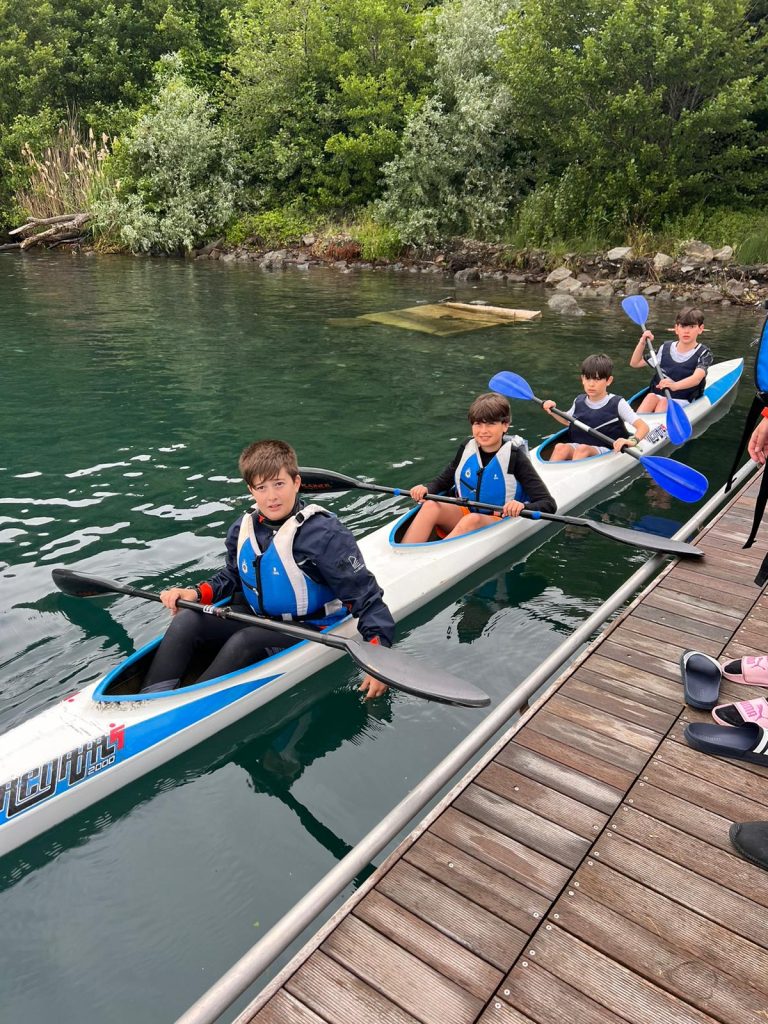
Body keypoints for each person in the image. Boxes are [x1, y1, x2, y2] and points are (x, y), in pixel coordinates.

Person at [141, 439, 395, 700]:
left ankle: (182, 705)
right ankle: (149, 699)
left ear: (296, 483)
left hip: (310, 625)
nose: (271, 496)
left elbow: (367, 598)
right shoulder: (243, 528)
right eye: (261, 487)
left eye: (279, 484)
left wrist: (379, 657)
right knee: (186, 619)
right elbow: (233, 577)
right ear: (251, 490)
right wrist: (195, 594)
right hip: (259, 617)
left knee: (245, 641)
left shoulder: (325, 535)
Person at [402, 392, 556, 544]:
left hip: (497, 519)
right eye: (478, 424)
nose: (483, 431)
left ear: (505, 425)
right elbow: (444, 480)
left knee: (472, 520)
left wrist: (522, 506)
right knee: (430, 506)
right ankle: (404, 552)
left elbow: (548, 504)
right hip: (466, 511)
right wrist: (426, 489)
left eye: (490, 424)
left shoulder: (515, 458)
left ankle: (428, 559)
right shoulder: (466, 448)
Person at [542, 353, 649, 461]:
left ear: (609, 381)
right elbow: (568, 421)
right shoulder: (579, 400)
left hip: (608, 449)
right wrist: (553, 411)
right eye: (587, 379)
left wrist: (632, 441)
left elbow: (643, 427)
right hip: (581, 446)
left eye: (597, 379)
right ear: (582, 379)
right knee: (560, 447)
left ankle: (577, 475)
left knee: (582, 450)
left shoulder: (618, 403)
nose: (591, 384)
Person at [629, 305, 713, 413]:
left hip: (683, 400)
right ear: (676, 329)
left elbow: (696, 379)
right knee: (651, 397)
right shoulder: (665, 348)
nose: (686, 331)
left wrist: (674, 386)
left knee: (664, 401)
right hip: (658, 396)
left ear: (700, 329)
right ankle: (637, 424)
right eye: (682, 326)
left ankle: (658, 426)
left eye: (692, 327)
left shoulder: (704, 353)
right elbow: (635, 363)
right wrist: (642, 342)